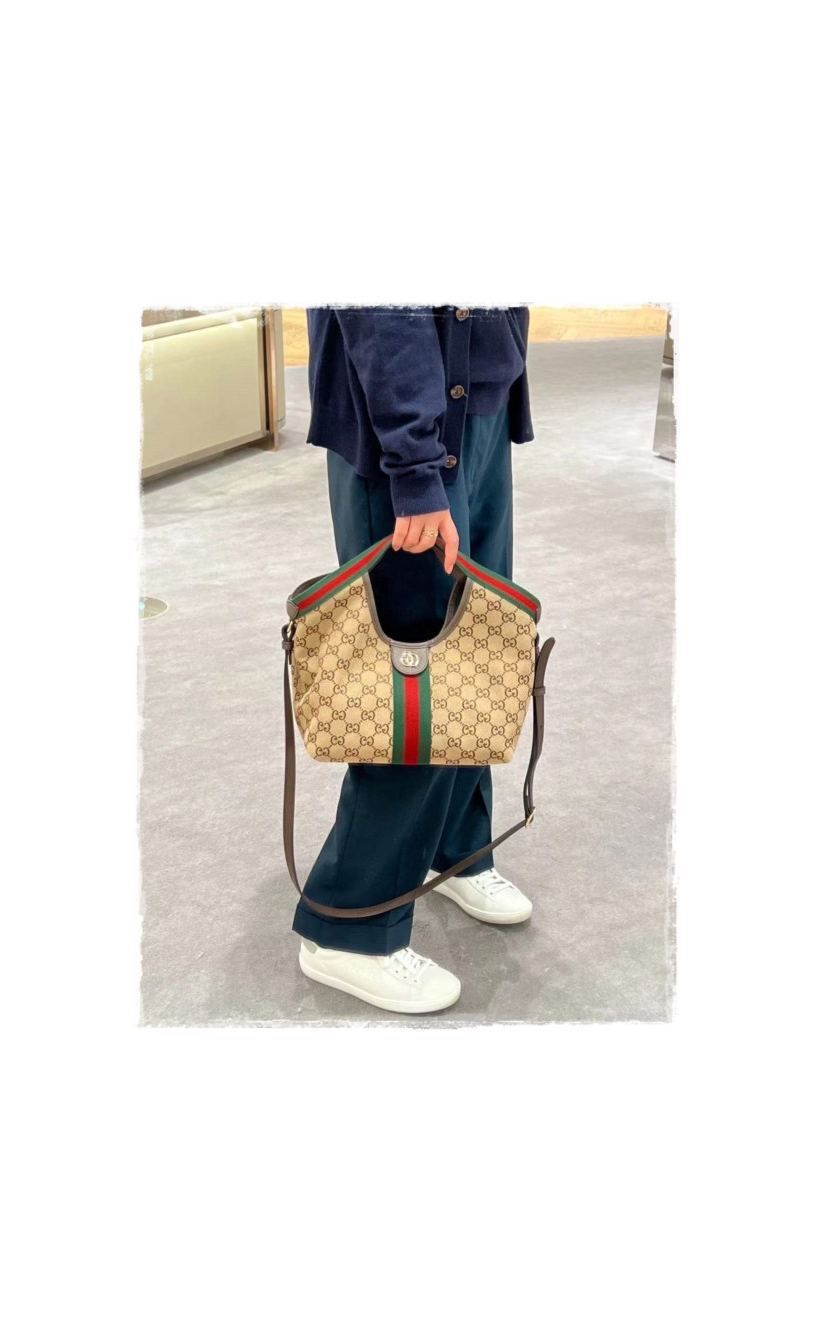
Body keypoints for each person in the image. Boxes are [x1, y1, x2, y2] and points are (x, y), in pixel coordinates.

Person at [293, 304, 535, 1014]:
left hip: (476, 403)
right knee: (409, 683)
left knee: (474, 654)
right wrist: (416, 465)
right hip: (405, 417)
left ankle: (457, 848)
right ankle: (349, 925)